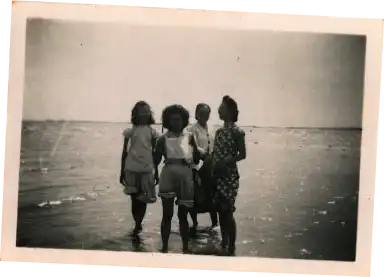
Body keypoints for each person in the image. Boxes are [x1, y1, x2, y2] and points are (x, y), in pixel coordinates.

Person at [154, 104, 200, 253]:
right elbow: (155, 161)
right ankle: (165, 247)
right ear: (167, 121)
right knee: (167, 214)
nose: (176, 122)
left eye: (179, 119)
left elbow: (197, 159)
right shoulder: (162, 139)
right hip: (168, 174)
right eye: (172, 119)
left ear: (184, 120)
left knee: (183, 215)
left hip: (186, 175)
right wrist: (153, 175)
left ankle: (186, 248)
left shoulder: (190, 137)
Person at [211, 95, 246, 256]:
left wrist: (226, 161)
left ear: (230, 112)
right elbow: (214, 154)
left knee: (227, 210)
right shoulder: (219, 131)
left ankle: (231, 246)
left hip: (229, 176)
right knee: (219, 210)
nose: (218, 109)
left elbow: (242, 154)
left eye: (221, 107)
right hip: (217, 175)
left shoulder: (237, 131)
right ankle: (223, 242)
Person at [119, 101, 160, 236]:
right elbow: (124, 152)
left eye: (146, 111)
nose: (143, 114)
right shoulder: (130, 131)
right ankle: (137, 223)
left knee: (144, 199)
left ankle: (139, 224)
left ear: (150, 114)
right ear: (135, 114)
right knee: (134, 199)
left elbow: (155, 154)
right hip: (131, 169)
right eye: (140, 112)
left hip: (147, 169)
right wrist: (121, 172)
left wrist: (157, 172)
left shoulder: (153, 132)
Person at [188, 103, 219, 236]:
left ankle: (215, 225)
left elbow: (214, 146)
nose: (204, 116)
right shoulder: (191, 129)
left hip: (210, 167)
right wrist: (202, 154)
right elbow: (191, 148)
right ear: (196, 114)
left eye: (206, 114)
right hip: (196, 167)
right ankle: (194, 224)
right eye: (201, 113)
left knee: (212, 196)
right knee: (195, 196)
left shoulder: (211, 128)